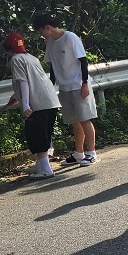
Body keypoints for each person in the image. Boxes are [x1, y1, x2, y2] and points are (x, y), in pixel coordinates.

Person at [32, 14, 97, 166]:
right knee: (75, 121)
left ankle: (91, 152)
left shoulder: (70, 38)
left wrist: (85, 83)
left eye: (41, 31)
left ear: (47, 27)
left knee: (85, 119)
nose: (42, 35)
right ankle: (79, 153)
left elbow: (83, 61)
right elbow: (53, 67)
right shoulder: (50, 43)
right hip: (64, 87)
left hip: (78, 84)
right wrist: (50, 86)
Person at [3, 32, 61, 178]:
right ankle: (40, 165)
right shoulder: (31, 58)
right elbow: (34, 80)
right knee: (45, 133)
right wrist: (16, 97)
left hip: (37, 103)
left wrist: (26, 105)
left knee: (36, 135)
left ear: (8, 48)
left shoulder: (15, 60)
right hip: (51, 100)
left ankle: (46, 170)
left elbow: (24, 82)